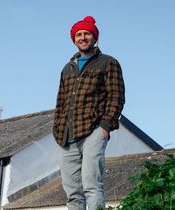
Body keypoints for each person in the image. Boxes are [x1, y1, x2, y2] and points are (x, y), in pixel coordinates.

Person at [53, 16, 125, 210]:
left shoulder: (108, 63)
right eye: (78, 34)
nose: (82, 37)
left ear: (94, 37)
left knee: (92, 186)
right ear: (74, 39)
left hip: (93, 131)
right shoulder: (67, 68)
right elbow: (60, 103)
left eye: (86, 34)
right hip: (65, 136)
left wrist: (105, 127)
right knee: (73, 194)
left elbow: (116, 97)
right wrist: (57, 128)